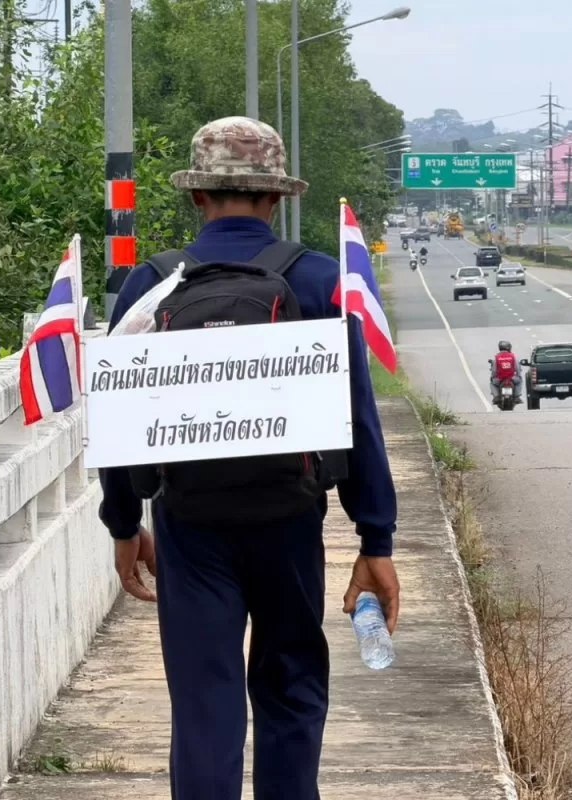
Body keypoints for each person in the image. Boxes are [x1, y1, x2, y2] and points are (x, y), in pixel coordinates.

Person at [97, 117, 400, 800]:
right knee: (290, 687)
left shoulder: (150, 285)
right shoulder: (322, 281)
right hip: (289, 521)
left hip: (189, 525)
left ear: (199, 198)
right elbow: (359, 420)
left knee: (206, 703)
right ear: (278, 199)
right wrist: (374, 537)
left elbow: (119, 418)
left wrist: (123, 524)